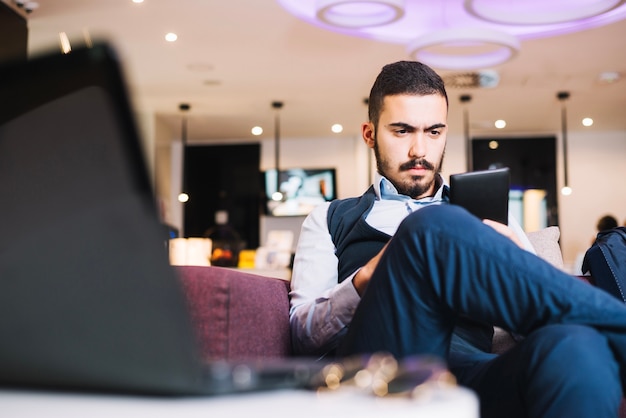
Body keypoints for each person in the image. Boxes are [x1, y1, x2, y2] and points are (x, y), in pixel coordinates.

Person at [289, 60, 626, 418]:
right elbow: (301, 334)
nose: (420, 150)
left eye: (434, 132)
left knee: (578, 346)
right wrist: (367, 276)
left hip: (468, 372)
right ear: (370, 133)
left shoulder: (493, 213)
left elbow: (544, 324)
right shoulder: (330, 217)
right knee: (430, 228)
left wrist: (507, 264)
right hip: (381, 369)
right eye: (402, 131)